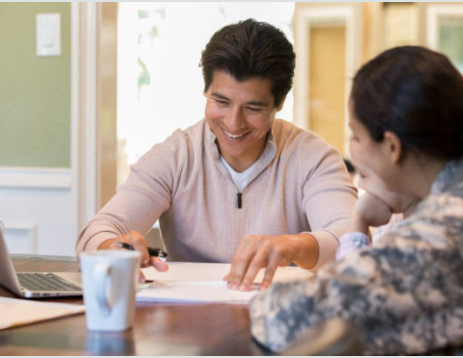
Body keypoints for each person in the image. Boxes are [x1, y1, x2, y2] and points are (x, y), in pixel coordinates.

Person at [249, 46, 463, 355]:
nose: (352, 148)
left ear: (392, 147)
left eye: (355, 136)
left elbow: (291, 318)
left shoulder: (451, 229)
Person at [76, 19, 357, 289]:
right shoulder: (175, 155)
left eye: (253, 108)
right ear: (206, 91)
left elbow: (352, 243)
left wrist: (292, 245)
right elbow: (96, 231)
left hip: (283, 314)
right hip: (187, 319)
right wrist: (112, 248)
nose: (234, 123)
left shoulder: (314, 158)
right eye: (220, 101)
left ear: (280, 103)